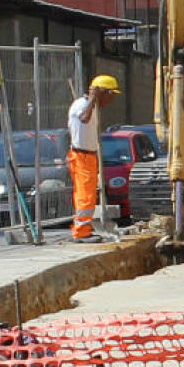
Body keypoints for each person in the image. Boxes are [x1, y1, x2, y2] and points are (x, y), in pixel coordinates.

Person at [67, 75, 120, 243]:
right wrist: (92, 98)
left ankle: (84, 229)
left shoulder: (92, 106)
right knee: (85, 195)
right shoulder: (83, 105)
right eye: (111, 95)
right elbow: (83, 119)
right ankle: (81, 232)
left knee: (88, 193)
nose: (111, 100)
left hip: (88, 155)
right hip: (81, 155)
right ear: (103, 93)